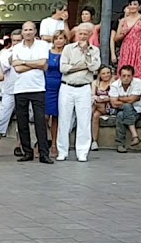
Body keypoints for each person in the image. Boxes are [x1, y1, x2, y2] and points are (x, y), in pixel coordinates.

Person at [9, 21, 53, 163]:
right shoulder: (16, 47)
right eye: (25, 30)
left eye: (30, 30)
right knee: (22, 122)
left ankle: (43, 153)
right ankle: (27, 152)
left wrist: (23, 62)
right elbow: (17, 69)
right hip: (20, 88)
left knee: (40, 122)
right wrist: (35, 64)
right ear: (22, 32)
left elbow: (43, 64)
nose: (28, 32)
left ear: (35, 31)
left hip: (38, 88)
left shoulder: (43, 45)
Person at [56, 24, 100, 162]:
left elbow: (94, 67)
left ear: (90, 35)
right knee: (64, 119)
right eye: (80, 33)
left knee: (84, 120)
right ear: (76, 35)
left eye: (85, 34)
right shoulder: (68, 48)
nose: (82, 36)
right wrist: (82, 66)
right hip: (67, 87)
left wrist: (86, 53)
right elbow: (63, 68)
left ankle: (82, 152)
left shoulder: (94, 50)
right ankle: (62, 151)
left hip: (84, 87)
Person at [0, 28, 22, 156]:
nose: (16, 43)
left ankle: (19, 146)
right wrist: (13, 57)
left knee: (22, 121)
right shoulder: (5, 53)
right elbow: (2, 69)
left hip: (23, 89)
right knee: (2, 118)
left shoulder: (28, 52)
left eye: (19, 41)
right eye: (14, 40)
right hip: (8, 90)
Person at [114, 0, 141, 80]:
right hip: (126, 48)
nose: (132, 6)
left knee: (137, 71)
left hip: (139, 47)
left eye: (135, 4)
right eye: (130, 4)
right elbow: (116, 38)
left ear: (139, 6)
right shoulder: (123, 20)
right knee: (124, 70)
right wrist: (124, 33)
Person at [109, 65, 141, 152]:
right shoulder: (114, 85)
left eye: (129, 76)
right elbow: (114, 103)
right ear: (120, 76)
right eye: (124, 76)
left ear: (132, 76)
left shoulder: (137, 82)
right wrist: (128, 99)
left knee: (121, 115)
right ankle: (135, 136)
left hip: (136, 110)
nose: (126, 78)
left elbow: (132, 100)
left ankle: (120, 144)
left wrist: (119, 98)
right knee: (126, 107)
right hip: (119, 109)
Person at [44, 30, 67, 157]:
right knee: (45, 116)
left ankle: (54, 144)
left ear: (65, 40)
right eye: (56, 38)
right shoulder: (47, 53)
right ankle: (42, 142)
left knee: (56, 117)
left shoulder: (67, 53)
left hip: (62, 86)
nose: (59, 41)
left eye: (61, 38)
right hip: (48, 85)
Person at [90, 65, 114, 152]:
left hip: (110, 107)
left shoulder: (113, 82)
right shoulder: (95, 83)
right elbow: (92, 95)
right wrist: (98, 99)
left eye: (108, 73)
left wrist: (101, 99)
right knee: (95, 115)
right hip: (98, 107)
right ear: (99, 74)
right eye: (103, 73)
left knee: (94, 105)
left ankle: (85, 118)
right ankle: (94, 141)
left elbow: (113, 97)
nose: (106, 75)